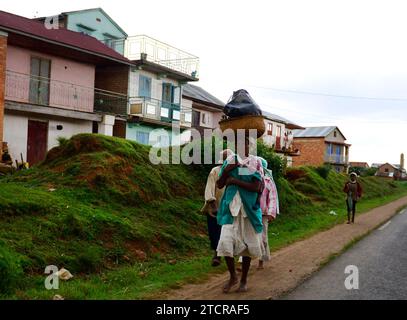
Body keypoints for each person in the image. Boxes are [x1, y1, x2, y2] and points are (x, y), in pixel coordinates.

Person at [216, 136, 264, 293]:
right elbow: (220, 183)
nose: (242, 147)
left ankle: (243, 279)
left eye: (245, 144)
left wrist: (235, 181)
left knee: (248, 246)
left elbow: (258, 187)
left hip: (248, 211)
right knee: (225, 243)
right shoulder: (229, 161)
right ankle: (233, 277)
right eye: (238, 145)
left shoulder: (254, 162)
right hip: (230, 210)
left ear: (249, 146)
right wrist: (228, 170)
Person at [201, 149, 234, 267]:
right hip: (215, 207)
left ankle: (220, 256)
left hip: (230, 208)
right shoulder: (215, 171)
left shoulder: (236, 172)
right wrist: (213, 205)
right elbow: (210, 189)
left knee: (226, 232)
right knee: (214, 232)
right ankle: (217, 254)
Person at [258, 157, 279, 269]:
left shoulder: (267, 181)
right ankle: (242, 261)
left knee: (263, 238)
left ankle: (261, 260)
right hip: (250, 212)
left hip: (263, 214)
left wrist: (271, 213)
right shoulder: (249, 178)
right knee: (246, 237)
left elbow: (272, 198)